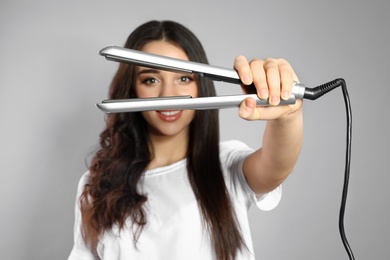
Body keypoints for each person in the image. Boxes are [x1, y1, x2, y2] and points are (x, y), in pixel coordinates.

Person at [68, 20, 303, 260]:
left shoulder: (227, 164)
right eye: (151, 80)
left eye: (183, 79)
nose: (169, 95)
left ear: (201, 85)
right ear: (132, 88)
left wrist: (287, 116)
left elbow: (277, 165)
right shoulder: (97, 184)